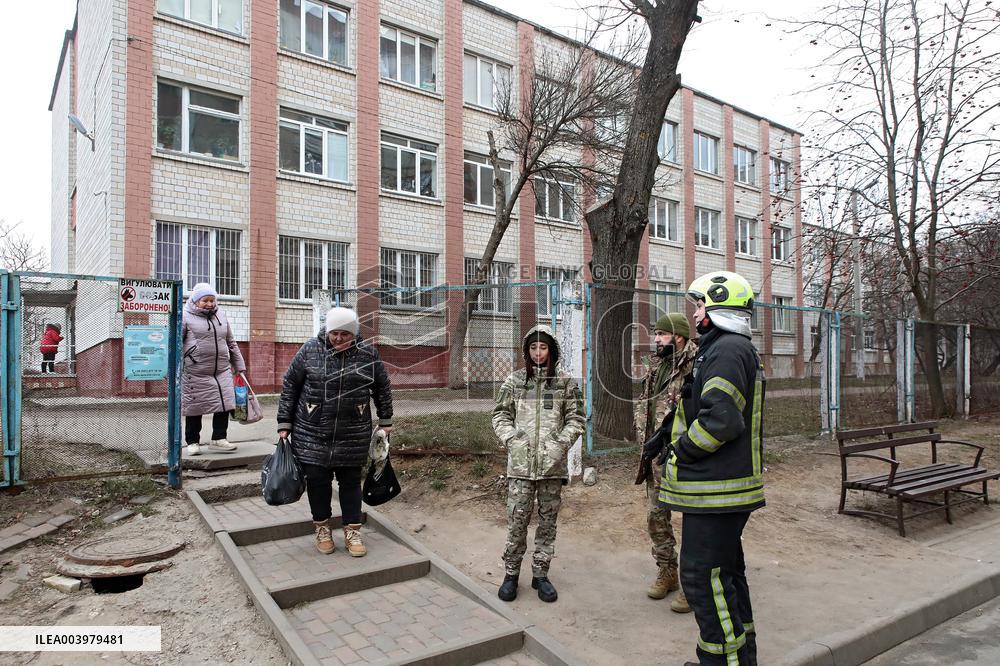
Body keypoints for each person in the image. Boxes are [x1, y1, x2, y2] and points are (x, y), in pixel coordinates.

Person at [658, 271, 765, 666]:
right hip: (720, 488)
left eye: (700, 304)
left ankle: (721, 662)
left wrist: (680, 451)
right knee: (726, 576)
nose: (695, 312)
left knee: (702, 579)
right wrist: (666, 431)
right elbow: (705, 406)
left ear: (720, 306)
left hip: (718, 490)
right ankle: (741, 658)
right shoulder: (724, 348)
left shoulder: (727, 350)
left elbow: (721, 420)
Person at [277, 307, 393, 558]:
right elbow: (290, 385)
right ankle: (322, 529)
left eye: (345, 334)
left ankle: (353, 532)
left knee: (350, 482)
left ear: (354, 333)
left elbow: (382, 387)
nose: (338, 338)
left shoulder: (368, 354)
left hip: (353, 431)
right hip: (312, 431)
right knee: (317, 482)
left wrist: (386, 420)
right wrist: (284, 423)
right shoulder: (310, 350)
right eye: (334, 333)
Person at [492, 325, 585, 603]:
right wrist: (513, 441)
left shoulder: (565, 384)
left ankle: (541, 574)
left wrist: (558, 445)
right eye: (533, 347)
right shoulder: (515, 381)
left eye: (543, 347)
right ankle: (511, 574)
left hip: (551, 468)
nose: (538, 352)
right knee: (517, 521)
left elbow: (576, 419)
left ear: (551, 350)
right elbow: (500, 415)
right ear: (526, 351)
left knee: (547, 523)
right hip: (520, 468)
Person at [635, 312, 697, 611]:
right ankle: (668, 571)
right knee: (656, 517)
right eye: (656, 333)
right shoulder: (657, 365)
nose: (656, 339)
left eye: (661, 334)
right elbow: (646, 404)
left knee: (694, 523)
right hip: (656, 455)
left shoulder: (696, 365)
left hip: (685, 457)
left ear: (679, 337)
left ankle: (693, 584)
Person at [182, 283, 246, 456]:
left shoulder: (221, 315)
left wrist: (239, 366)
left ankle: (219, 438)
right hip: (195, 371)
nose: (210, 304)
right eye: (205, 300)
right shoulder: (185, 316)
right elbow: (176, 342)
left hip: (222, 370)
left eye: (212, 300)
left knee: (224, 403)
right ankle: (192, 442)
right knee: (195, 406)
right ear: (195, 301)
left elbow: (231, 342)